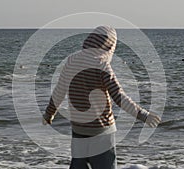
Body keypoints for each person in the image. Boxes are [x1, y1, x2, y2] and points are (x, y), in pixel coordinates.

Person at [42, 26, 161, 169]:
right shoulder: (102, 65)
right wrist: (143, 115)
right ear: (109, 47)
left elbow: (59, 91)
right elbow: (119, 97)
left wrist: (49, 113)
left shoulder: (71, 61)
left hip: (79, 129)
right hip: (102, 131)